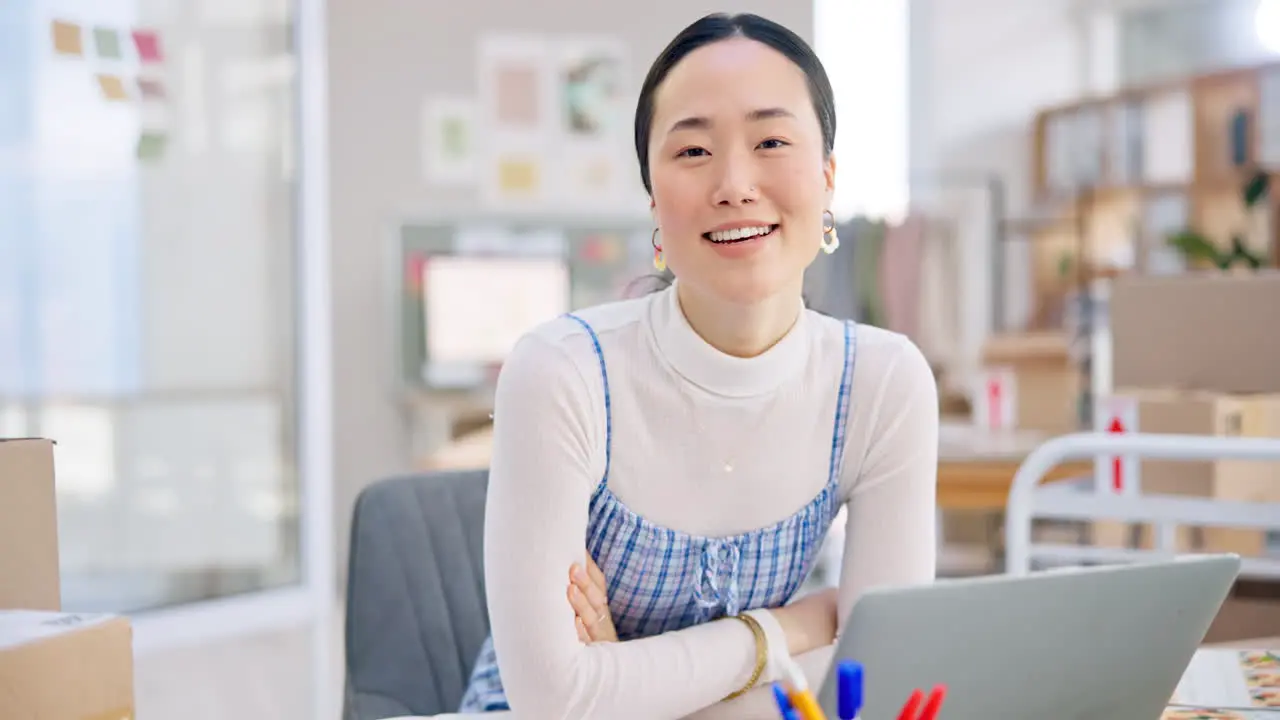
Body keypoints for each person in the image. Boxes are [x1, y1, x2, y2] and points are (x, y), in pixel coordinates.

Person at [456, 12, 938, 719]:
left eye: (771, 140)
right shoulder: (563, 372)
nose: (735, 184)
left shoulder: (882, 381)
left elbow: (881, 683)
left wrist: (618, 675)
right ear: (653, 197)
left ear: (829, 177)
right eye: (692, 152)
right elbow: (555, 704)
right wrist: (787, 631)